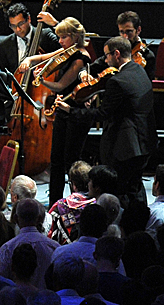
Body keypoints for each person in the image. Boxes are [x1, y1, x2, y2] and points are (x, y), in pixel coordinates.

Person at [56, 36, 154, 206]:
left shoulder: (117, 81)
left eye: (107, 56)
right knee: (135, 188)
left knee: (119, 193)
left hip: (125, 147)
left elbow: (102, 114)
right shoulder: (139, 71)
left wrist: (70, 110)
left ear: (117, 54)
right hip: (145, 141)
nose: (106, 61)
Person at [22, 17, 91, 207]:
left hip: (75, 112)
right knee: (56, 160)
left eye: (63, 37)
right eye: (59, 37)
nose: (60, 41)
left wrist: (42, 81)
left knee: (70, 161)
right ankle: (55, 203)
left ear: (75, 36)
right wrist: (29, 59)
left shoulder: (80, 57)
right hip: (62, 110)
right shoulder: (68, 51)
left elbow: (61, 85)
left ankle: (75, 202)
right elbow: (45, 57)